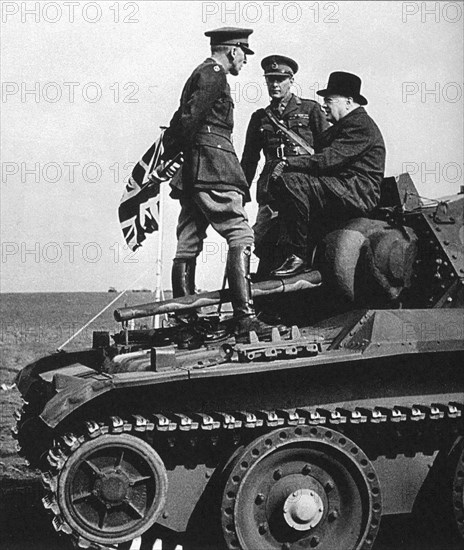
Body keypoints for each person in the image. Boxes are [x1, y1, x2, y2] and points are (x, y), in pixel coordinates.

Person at [161, 27, 278, 341]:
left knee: (188, 241)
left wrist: (169, 155)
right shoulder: (214, 74)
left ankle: (186, 324)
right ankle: (245, 318)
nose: (245, 61)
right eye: (244, 54)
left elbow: (180, 119)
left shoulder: (199, 74)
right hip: (214, 167)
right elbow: (189, 120)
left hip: (193, 173)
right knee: (240, 233)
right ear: (233, 50)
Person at [270, 71, 386, 277]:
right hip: (341, 186)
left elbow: (326, 161)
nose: (324, 105)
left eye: (329, 100)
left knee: (292, 182)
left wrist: (288, 162)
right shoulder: (344, 126)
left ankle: (299, 255)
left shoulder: (360, 125)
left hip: (356, 191)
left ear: (348, 102)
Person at [241, 55, 329, 278]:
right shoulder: (260, 118)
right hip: (272, 189)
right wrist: (239, 195)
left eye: (280, 79)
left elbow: (327, 151)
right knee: (263, 240)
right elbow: (249, 161)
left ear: (291, 80)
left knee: (308, 239)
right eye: (270, 80)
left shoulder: (311, 110)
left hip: (304, 186)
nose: (274, 85)